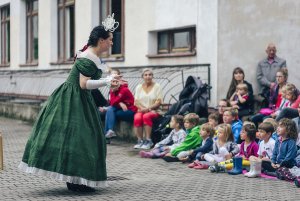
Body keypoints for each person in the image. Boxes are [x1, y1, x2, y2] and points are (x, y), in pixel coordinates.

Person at [18, 23, 119, 192]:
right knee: (79, 140)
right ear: (101, 40)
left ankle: (77, 180)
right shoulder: (88, 57)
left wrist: (110, 81)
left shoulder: (92, 55)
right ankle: (77, 181)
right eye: (110, 39)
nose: (111, 43)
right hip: (72, 99)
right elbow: (83, 84)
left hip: (80, 98)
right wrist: (107, 81)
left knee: (83, 139)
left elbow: (87, 84)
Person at [100, 69, 137, 139]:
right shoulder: (112, 88)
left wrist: (117, 100)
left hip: (129, 110)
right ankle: (109, 132)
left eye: (116, 77)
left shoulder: (124, 89)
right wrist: (120, 103)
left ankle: (107, 134)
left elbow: (113, 102)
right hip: (118, 109)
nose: (114, 79)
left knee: (110, 110)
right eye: (112, 77)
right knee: (110, 110)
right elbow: (112, 102)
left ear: (120, 78)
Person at [133, 68, 163, 149]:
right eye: (145, 75)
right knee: (137, 117)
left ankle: (148, 141)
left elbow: (158, 101)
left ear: (152, 76)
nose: (148, 76)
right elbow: (136, 101)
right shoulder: (139, 87)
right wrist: (143, 109)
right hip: (141, 110)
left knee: (146, 116)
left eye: (150, 75)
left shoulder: (157, 86)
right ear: (142, 77)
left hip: (154, 110)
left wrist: (148, 109)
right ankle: (140, 141)